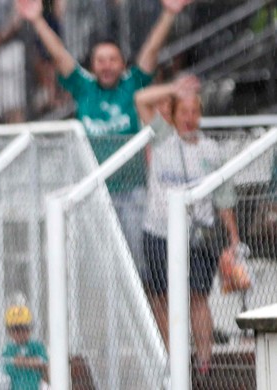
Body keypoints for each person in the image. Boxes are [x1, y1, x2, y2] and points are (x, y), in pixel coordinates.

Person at [15, 0, 193, 272]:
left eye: (112, 60)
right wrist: (38, 20)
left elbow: (151, 51)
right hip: (94, 196)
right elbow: (61, 56)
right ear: (92, 65)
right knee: (99, 269)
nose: (107, 65)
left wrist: (169, 13)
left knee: (135, 269)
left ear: (122, 63)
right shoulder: (84, 88)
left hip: (134, 194)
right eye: (100, 61)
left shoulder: (132, 85)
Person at [135, 75, 240, 375]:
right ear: (174, 113)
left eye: (195, 112)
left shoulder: (211, 150)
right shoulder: (162, 137)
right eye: (184, 112)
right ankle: (173, 359)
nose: (190, 118)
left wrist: (233, 237)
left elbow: (224, 197)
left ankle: (204, 359)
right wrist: (173, 89)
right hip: (159, 230)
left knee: (198, 296)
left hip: (199, 234)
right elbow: (141, 99)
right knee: (161, 297)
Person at [1, 305, 49, 390]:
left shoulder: (36, 346)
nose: (21, 332)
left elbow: (43, 362)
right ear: (9, 331)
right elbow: (5, 364)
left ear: (30, 329)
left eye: (24, 328)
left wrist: (19, 361)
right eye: (16, 329)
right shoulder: (8, 348)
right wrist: (32, 362)